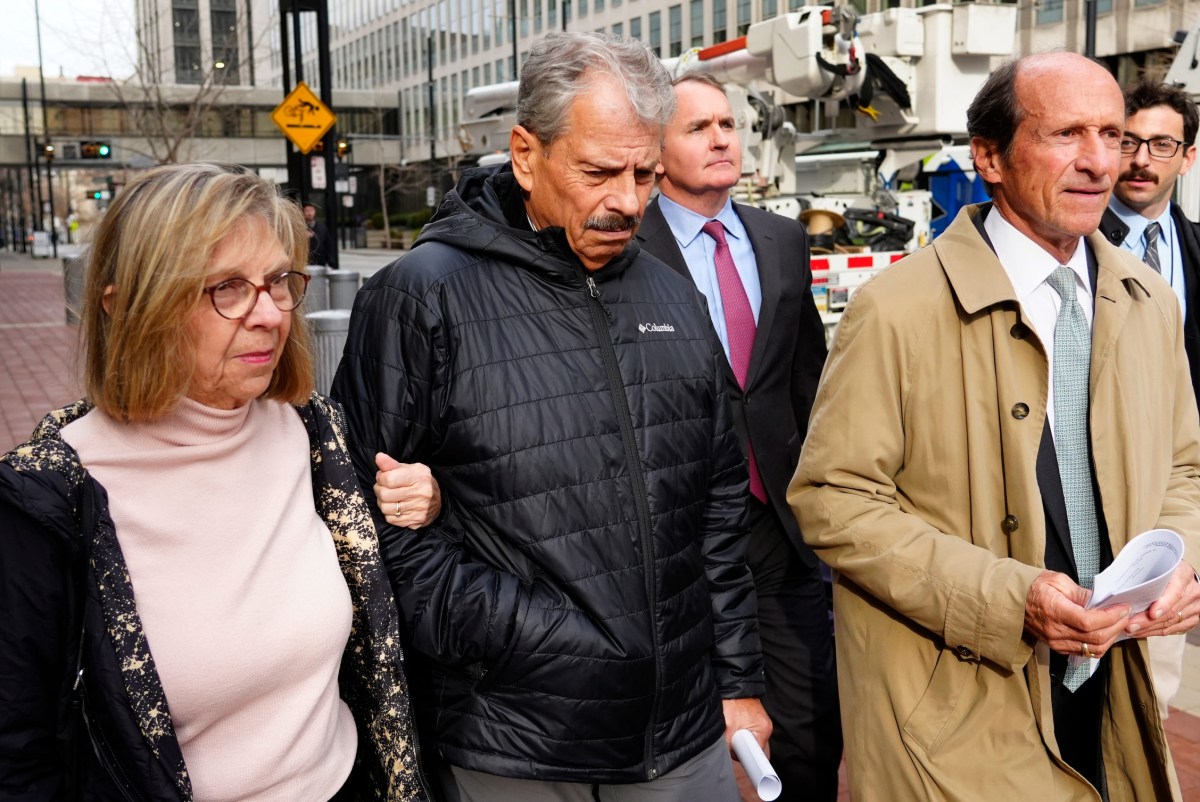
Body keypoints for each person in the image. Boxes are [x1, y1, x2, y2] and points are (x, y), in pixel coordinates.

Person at [333, 31, 770, 802]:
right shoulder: (420, 298)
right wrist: (531, 642)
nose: (628, 201)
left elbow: (720, 511)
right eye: (600, 172)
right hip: (515, 744)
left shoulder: (671, 295)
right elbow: (365, 529)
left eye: (644, 173)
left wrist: (737, 680)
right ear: (526, 154)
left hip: (683, 736)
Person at [790, 52, 1200, 801]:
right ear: (989, 158)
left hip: (1118, 682)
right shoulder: (896, 310)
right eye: (1067, 134)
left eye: (1111, 134)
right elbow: (834, 499)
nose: (1099, 161)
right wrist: (1008, 598)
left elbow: (1184, 466)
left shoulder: (1147, 300)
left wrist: (1179, 561)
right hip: (960, 705)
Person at [0, 162, 433, 801]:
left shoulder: (315, 436)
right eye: (226, 287)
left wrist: (426, 497)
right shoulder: (49, 500)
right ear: (127, 307)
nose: (268, 314)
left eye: (278, 281)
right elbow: (20, 755)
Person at [634, 73, 839, 802]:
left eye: (727, 123)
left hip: (783, 523)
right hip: (680, 531)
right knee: (695, 728)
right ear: (654, 152)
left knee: (814, 718)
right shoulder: (630, 245)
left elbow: (804, 376)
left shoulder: (781, 240)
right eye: (698, 128)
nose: (722, 138)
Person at [1100, 80, 1200, 720]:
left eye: (1160, 145)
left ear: (1187, 156)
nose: (1141, 160)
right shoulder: (1071, 241)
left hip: (1179, 484)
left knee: (1155, 683)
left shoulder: (1198, 249)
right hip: (1099, 480)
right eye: (1129, 141)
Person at [305, 202, 335, 267]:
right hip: (305, 263)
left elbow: (329, 245)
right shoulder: (299, 228)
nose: (309, 213)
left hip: (321, 263)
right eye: (307, 211)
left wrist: (330, 262)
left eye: (311, 210)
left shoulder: (322, 228)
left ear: (315, 212)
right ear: (303, 212)